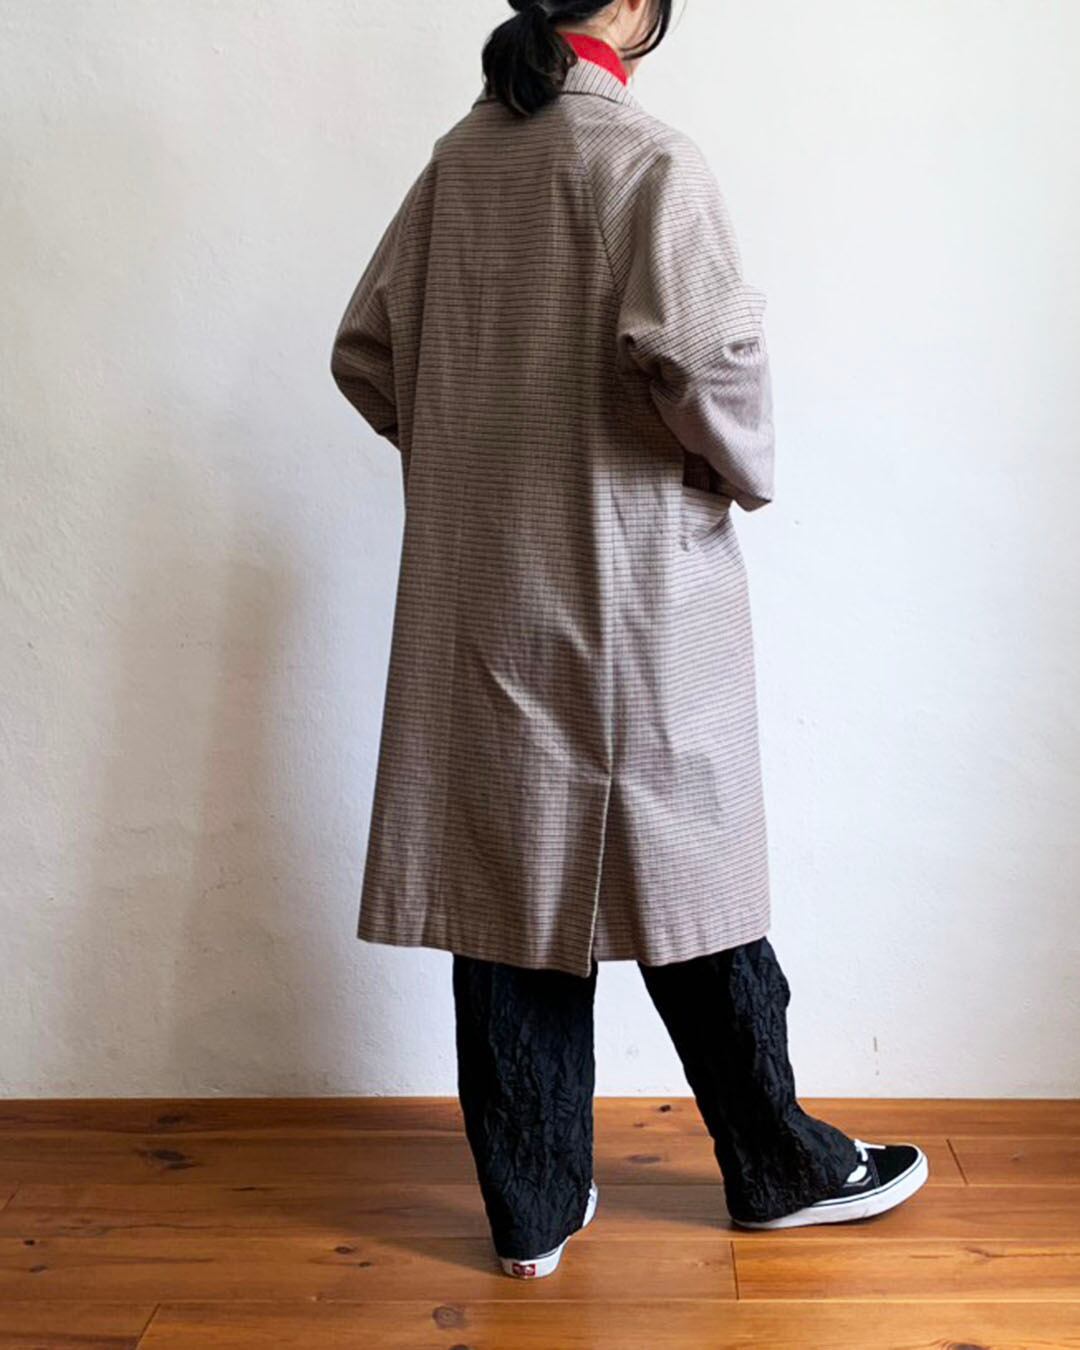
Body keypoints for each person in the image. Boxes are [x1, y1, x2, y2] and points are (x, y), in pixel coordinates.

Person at [330, 0, 928, 1279]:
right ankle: (777, 1164)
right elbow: (707, 357)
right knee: (684, 863)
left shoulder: (459, 161)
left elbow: (367, 351)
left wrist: (468, 458)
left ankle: (532, 1207)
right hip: (630, 578)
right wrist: (735, 469)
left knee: (511, 872)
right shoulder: (645, 159)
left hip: (484, 585)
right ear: (641, 8)